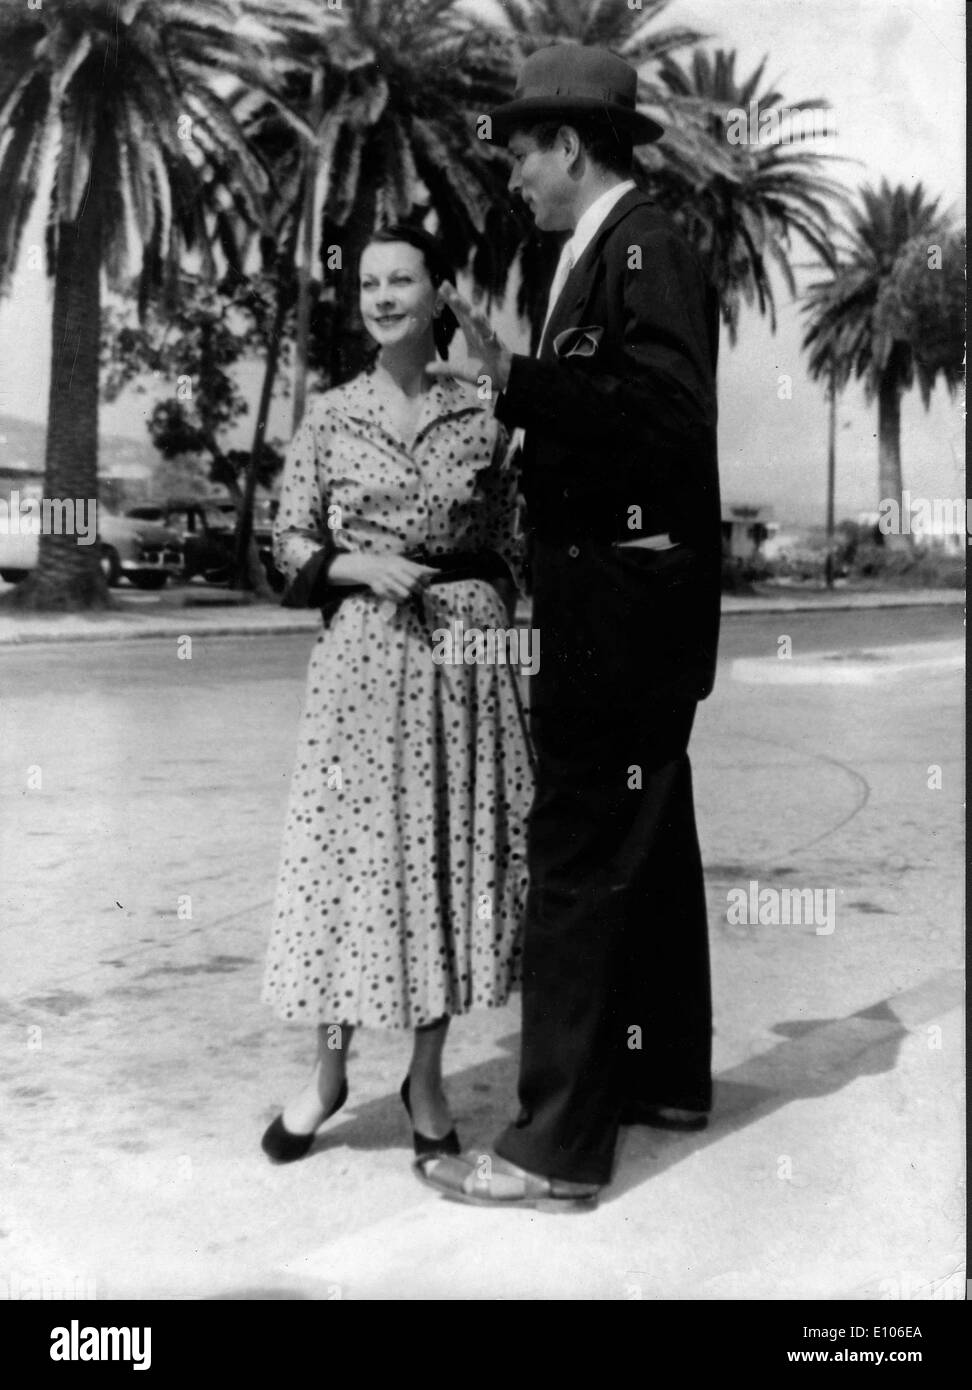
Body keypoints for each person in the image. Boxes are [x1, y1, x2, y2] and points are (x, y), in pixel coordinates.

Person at [418, 44, 722, 1210]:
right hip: (631, 605)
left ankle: (552, 1149)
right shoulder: (602, 252)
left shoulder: (641, 245)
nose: (513, 178)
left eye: (521, 153)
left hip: (617, 611)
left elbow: (667, 417)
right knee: (647, 849)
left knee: (578, 858)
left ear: (570, 146)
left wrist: (517, 385)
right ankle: (664, 1077)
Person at [260, 224, 532, 1166]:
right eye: (369, 282)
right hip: (361, 672)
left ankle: (424, 1077)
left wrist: (487, 612)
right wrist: (353, 563)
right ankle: (329, 1074)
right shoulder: (331, 416)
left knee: (443, 868)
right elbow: (285, 543)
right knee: (350, 866)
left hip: (461, 671)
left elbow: (516, 542)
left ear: (439, 291)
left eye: (402, 280)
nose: (381, 297)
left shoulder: (487, 413)